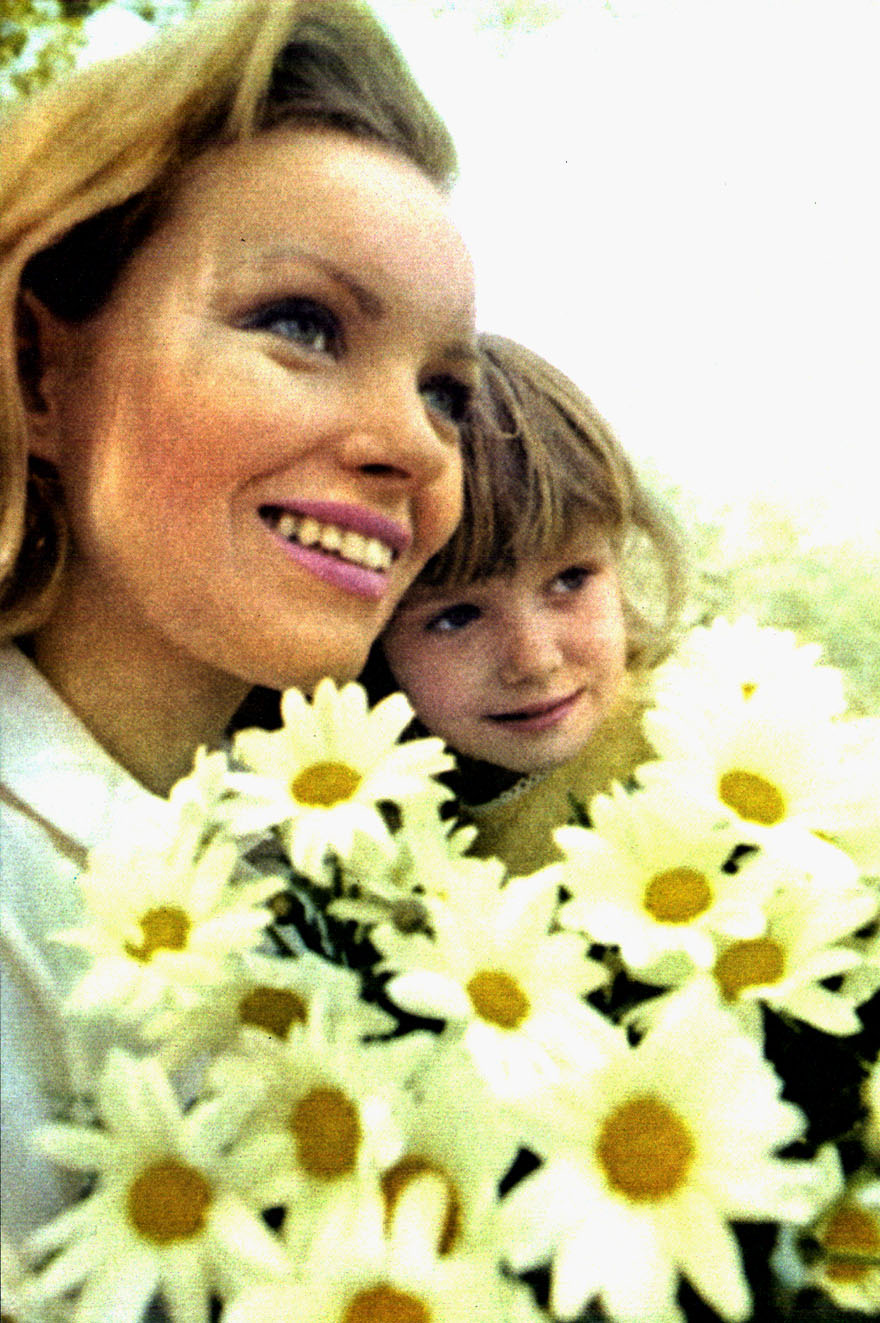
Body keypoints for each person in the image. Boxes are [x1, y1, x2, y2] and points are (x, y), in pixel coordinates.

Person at [0, 0, 476, 1247]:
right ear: (41, 372)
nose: (416, 445)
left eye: (447, 390)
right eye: (302, 324)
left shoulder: (350, 872)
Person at [376, 332, 686, 874]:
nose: (535, 660)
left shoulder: (696, 754)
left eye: (570, 580)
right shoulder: (359, 820)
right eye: (456, 617)